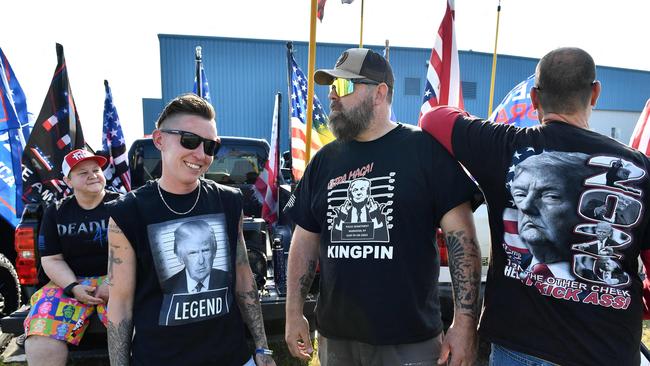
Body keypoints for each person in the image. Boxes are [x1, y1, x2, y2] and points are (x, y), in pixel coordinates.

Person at [421, 47, 650, 366]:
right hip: (607, 348)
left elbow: (433, 117)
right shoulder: (638, 168)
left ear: (534, 99)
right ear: (594, 93)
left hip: (519, 348)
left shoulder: (503, 146)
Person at [284, 48, 483, 366]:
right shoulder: (324, 160)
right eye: (331, 86)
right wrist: (293, 313)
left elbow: (463, 241)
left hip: (408, 342)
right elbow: (304, 238)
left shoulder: (425, 151)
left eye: (345, 87)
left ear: (379, 93)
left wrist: (465, 324)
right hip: (336, 340)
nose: (333, 95)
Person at [106, 94, 275, 366]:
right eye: (189, 140)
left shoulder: (230, 201)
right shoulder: (128, 212)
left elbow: (244, 279)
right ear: (159, 139)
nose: (201, 154)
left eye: (210, 146)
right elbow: (120, 304)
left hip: (232, 358)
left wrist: (262, 349)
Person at [23, 149, 120, 366]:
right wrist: (73, 287)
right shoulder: (56, 212)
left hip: (119, 279)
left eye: (96, 170)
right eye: (83, 172)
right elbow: (52, 259)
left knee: (142, 326)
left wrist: (113, 283)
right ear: (68, 180)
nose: (93, 175)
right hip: (69, 282)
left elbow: (138, 252)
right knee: (41, 337)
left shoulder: (124, 205)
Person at [161, 220, 228, 293]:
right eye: (193, 253)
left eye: (205, 250)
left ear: (214, 252)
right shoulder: (167, 287)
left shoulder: (228, 280)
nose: (201, 261)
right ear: (180, 257)